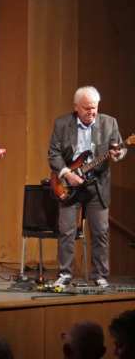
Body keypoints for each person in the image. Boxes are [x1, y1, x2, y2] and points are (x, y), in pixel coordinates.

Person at [48, 86, 126, 289]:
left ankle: (100, 276)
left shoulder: (109, 123)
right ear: (76, 106)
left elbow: (119, 149)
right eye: (86, 109)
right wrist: (67, 174)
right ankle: (64, 274)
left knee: (100, 233)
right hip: (70, 185)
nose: (91, 113)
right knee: (66, 231)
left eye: (94, 108)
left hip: (97, 186)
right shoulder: (62, 123)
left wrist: (119, 154)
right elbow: (53, 154)